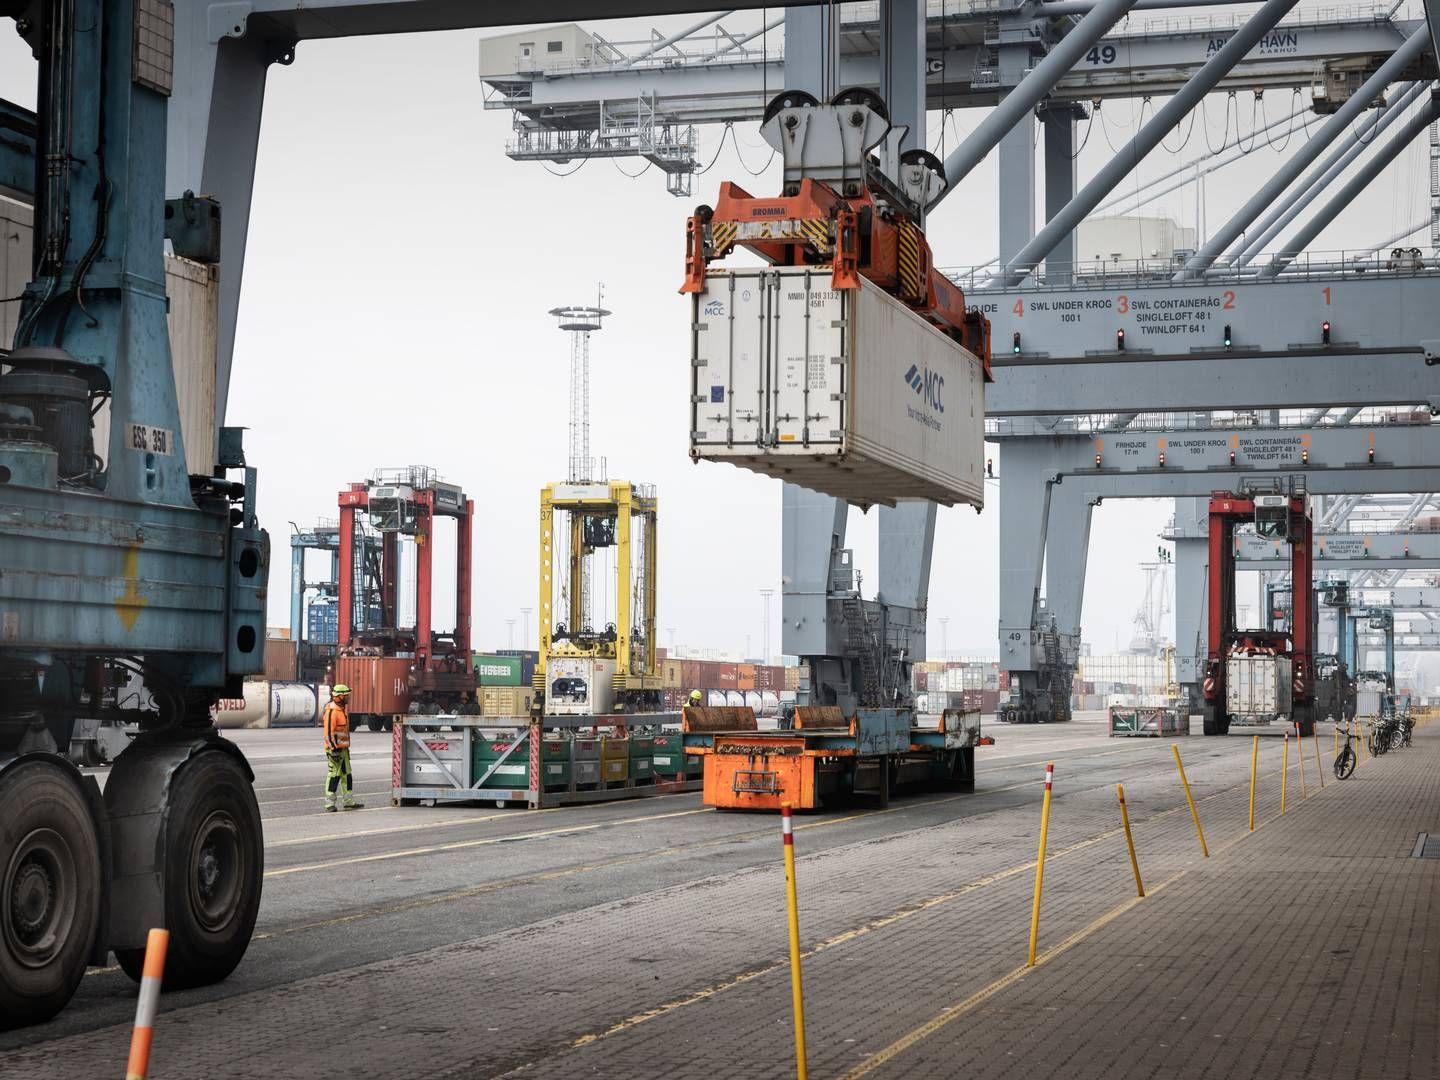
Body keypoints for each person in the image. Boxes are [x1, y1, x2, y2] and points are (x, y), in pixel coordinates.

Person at [322, 684, 363, 812]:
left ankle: (348, 801)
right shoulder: (332, 711)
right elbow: (328, 733)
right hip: (335, 750)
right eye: (347, 695)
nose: (348, 698)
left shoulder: (342, 710)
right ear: (340, 697)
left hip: (343, 750)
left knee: (347, 775)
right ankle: (329, 804)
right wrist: (334, 749)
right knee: (334, 775)